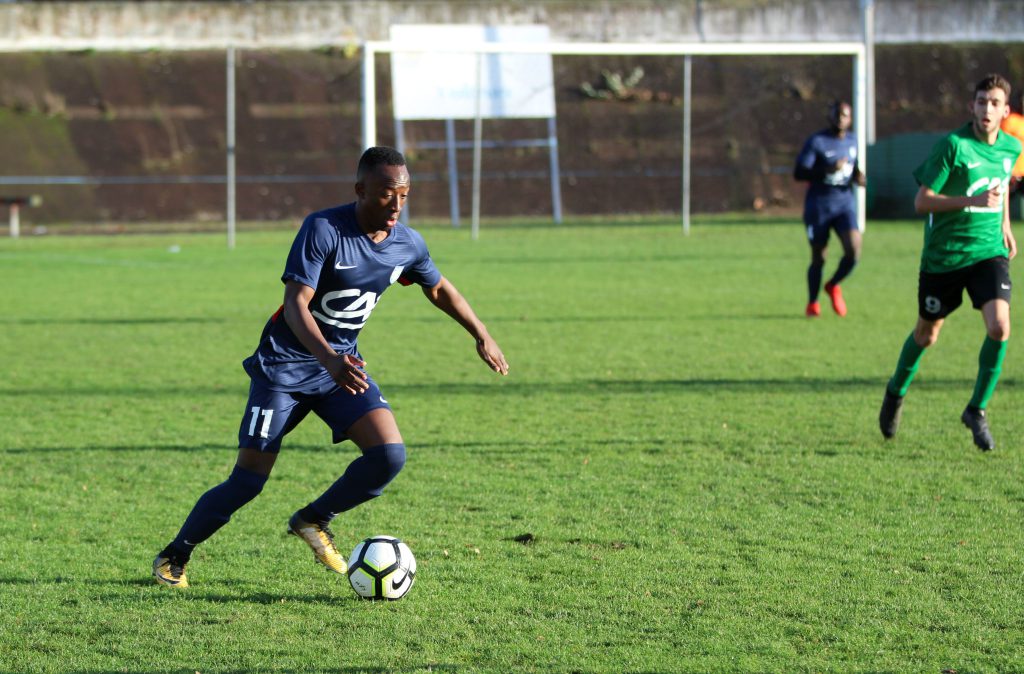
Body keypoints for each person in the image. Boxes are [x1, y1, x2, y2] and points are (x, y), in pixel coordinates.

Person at [153, 146, 510, 587]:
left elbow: (437, 288)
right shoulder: (324, 229)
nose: (396, 205)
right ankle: (175, 554)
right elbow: (295, 303)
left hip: (340, 369)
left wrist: (481, 332)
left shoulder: (407, 243)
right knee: (247, 482)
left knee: (388, 456)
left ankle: (312, 519)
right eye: (386, 193)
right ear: (360, 190)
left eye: (404, 194)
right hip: (283, 370)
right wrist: (329, 359)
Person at [879, 74, 1021, 451]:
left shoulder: (1011, 146)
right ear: (971, 106)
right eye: (981, 101)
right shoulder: (953, 147)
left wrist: (1005, 225)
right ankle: (896, 390)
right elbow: (922, 201)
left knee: (1000, 327)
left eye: (994, 103)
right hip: (945, 256)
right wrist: (971, 202)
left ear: (1005, 111)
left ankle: (976, 410)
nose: (987, 109)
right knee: (926, 335)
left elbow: (1002, 184)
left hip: (988, 252)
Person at [793, 99, 867, 317]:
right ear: (830, 116)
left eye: (844, 115)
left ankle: (833, 284)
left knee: (854, 250)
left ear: (850, 119)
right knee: (819, 257)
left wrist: (858, 177)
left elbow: (853, 168)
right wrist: (827, 169)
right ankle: (813, 302)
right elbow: (799, 173)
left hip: (844, 205)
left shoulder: (853, 141)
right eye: (837, 114)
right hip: (819, 207)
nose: (840, 119)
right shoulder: (817, 141)